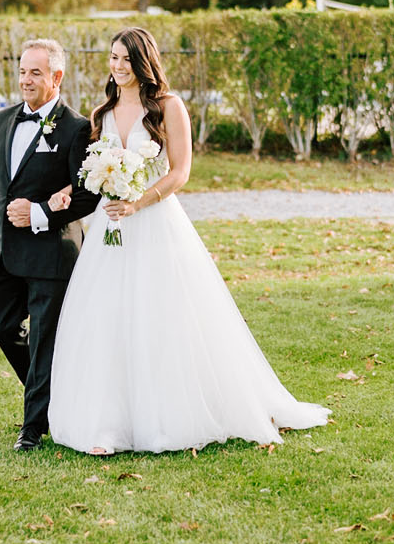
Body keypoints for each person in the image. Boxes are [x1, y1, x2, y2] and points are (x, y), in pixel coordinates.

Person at [46, 28, 329, 456]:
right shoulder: (101, 113)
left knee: (161, 317)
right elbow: (94, 174)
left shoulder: (168, 107)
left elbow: (179, 172)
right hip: (111, 230)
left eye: (125, 59)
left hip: (155, 223)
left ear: (144, 62)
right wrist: (76, 192)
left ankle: (167, 419)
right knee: (107, 319)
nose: (117, 66)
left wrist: (138, 202)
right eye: (112, 58)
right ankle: (107, 424)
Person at [0, 39, 98, 451]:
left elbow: (89, 193)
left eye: (35, 73)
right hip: (4, 252)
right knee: (0, 323)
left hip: (51, 254)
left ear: (56, 78)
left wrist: (39, 213)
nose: (25, 80)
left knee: (43, 339)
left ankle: (33, 427)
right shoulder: (2, 121)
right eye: (22, 71)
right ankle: (53, 392)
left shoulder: (76, 128)